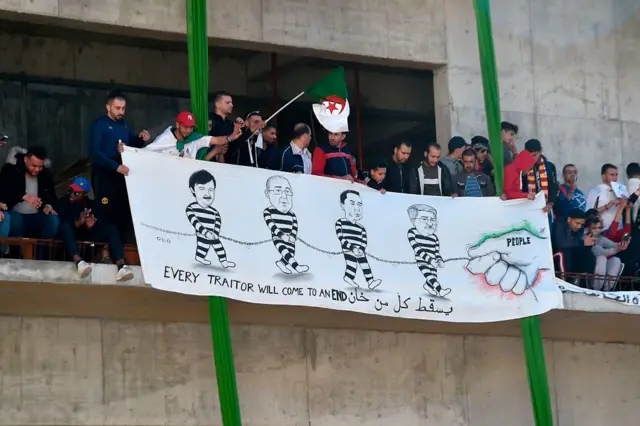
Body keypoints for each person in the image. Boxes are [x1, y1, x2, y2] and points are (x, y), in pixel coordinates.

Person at [88, 90, 150, 242]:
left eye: (123, 108)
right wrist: (115, 166)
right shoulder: (99, 125)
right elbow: (94, 152)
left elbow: (131, 145)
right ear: (108, 107)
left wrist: (141, 139)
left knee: (122, 213)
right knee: (105, 213)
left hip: (122, 176)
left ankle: (120, 252)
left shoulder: (125, 125)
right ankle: (104, 253)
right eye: (117, 108)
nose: (121, 112)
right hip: (105, 174)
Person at [56, 177, 134, 281]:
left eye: (76, 193)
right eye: (71, 190)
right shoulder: (63, 202)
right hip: (69, 244)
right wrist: (78, 222)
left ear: (84, 194)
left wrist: (92, 225)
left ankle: (121, 265)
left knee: (110, 228)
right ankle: (79, 262)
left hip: (88, 244)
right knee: (65, 226)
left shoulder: (91, 204)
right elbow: (61, 224)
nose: (71, 194)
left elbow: (99, 223)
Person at [0, 146, 59, 258]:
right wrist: (24, 196)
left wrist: (48, 206)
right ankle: (17, 256)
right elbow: (4, 193)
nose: (37, 169)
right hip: (16, 214)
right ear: (26, 159)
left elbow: (52, 196)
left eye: (40, 166)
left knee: (53, 220)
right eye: (34, 166)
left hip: (37, 216)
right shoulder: (11, 170)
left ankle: (42, 257)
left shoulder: (45, 174)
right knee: (14, 220)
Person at [141, 111, 230, 159]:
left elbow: (217, 140)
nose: (188, 131)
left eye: (191, 127)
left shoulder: (194, 138)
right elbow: (142, 153)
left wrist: (232, 136)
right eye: (185, 127)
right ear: (177, 125)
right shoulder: (165, 139)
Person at [551, 209, 594, 286]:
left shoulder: (577, 230)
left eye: (581, 224)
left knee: (589, 255)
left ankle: (584, 283)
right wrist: (583, 243)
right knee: (563, 253)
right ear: (569, 219)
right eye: (577, 223)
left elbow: (577, 245)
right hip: (554, 258)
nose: (579, 226)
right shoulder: (558, 225)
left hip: (569, 260)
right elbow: (560, 244)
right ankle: (565, 283)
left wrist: (588, 245)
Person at [586, 216, 627, 291]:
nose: (597, 230)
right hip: (588, 271)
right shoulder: (586, 238)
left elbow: (614, 244)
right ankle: (596, 289)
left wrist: (622, 244)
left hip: (598, 270)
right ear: (587, 228)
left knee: (616, 260)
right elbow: (601, 252)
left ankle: (607, 289)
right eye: (594, 228)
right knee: (602, 258)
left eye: (599, 228)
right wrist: (617, 249)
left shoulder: (600, 238)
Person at [203, 91, 244, 162]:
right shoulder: (208, 118)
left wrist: (241, 128)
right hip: (206, 160)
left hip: (225, 164)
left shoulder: (230, 124)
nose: (231, 105)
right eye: (227, 103)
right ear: (217, 104)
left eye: (231, 103)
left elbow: (235, 147)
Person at [522, 139, 558, 216]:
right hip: (527, 207)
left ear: (541, 151)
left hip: (545, 208)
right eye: (529, 155)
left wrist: (550, 204)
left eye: (535, 155)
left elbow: (553, 186)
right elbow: (519, 187)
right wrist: (523, 174)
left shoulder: (549, 166)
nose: (532, 158)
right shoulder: (522, 167)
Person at [586, 163, 625, 230]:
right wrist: (607, 206)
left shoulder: (620, 190)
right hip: (604, 232)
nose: (615, 178)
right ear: (603, 176)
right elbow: (588, 214)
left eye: (616, 175)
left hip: (620, 229)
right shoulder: (595, 191)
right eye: (612, 175)